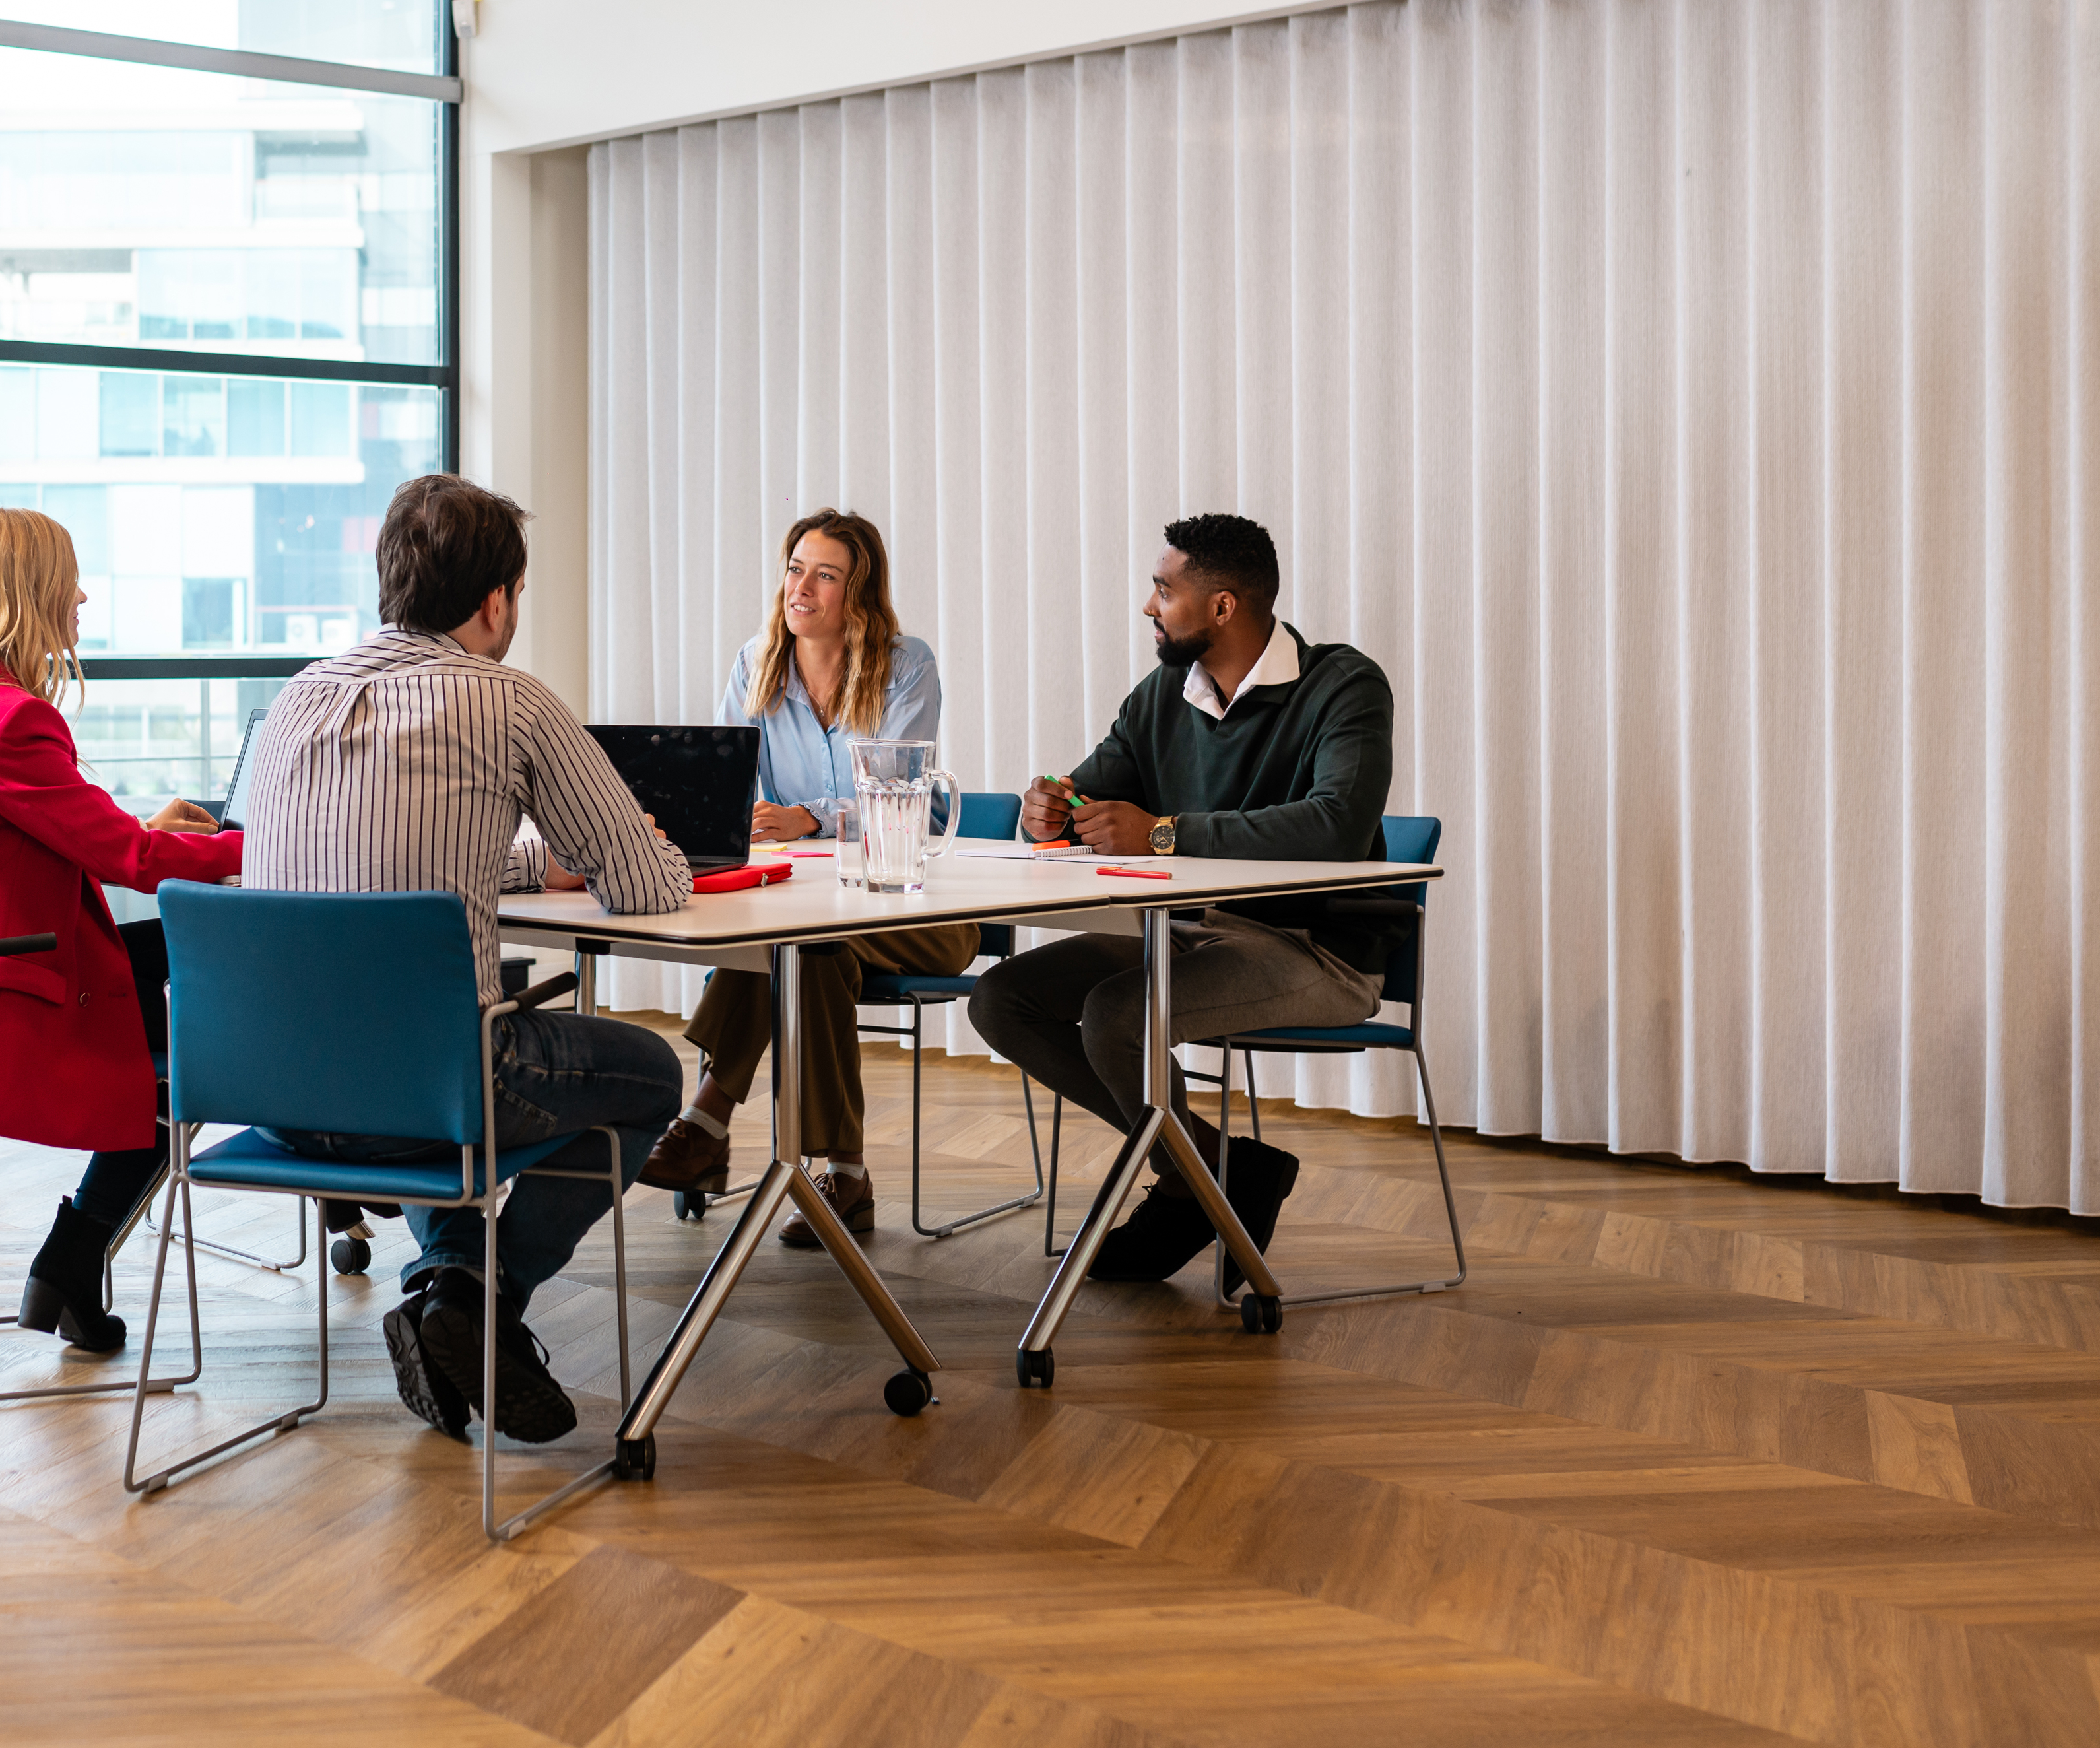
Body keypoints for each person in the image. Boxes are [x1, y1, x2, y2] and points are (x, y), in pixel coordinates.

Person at [238, 473, 692, 1446]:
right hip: (422, 1092)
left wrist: (535, 865)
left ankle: (448, 1286)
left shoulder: (296, 697)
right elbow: (651, 885)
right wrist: (625, 851)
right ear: (497, 601)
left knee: (396, 1048)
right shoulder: (512, 702)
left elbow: (391, 857)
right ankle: (486, 1300)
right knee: (651, 1074)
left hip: (275, 1087)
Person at [966, 514, 1404, 1282]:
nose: (1148, 607)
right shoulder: (1163, 693)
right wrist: (1047, 809)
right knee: (1001, 999)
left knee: (1114, 1013)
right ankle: (1213, 1171)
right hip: (1191, 936)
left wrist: (1161, 835)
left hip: (1316, 950)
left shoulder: (1343, 685)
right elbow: (1088, 794)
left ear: (1222, 607)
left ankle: (1189, 1184)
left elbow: (1336, 826)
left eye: (1162, 591)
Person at [0, 507, 244, 1355]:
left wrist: (153, 837)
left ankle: (70, 1265)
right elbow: (130, 862)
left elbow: (37, 844)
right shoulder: (13, 722)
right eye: (65, 579)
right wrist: (272, 842)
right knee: (184, 1069)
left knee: (174, 999)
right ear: (24, 592)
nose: (80, 596)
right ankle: (354, 1132)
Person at [634, 509, 979, 1250]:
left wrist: (806, 817)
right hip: (813, 909)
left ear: (858, 592)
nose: (802, 588)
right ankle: (842, 1175)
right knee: (807, 949)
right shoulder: (756, 662)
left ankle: (705, 1120)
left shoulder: (904, 663)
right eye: (795, 569)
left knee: (801, 945)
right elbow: (725, 785)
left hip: (917, 907)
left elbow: (899, 789)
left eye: (825, 575)